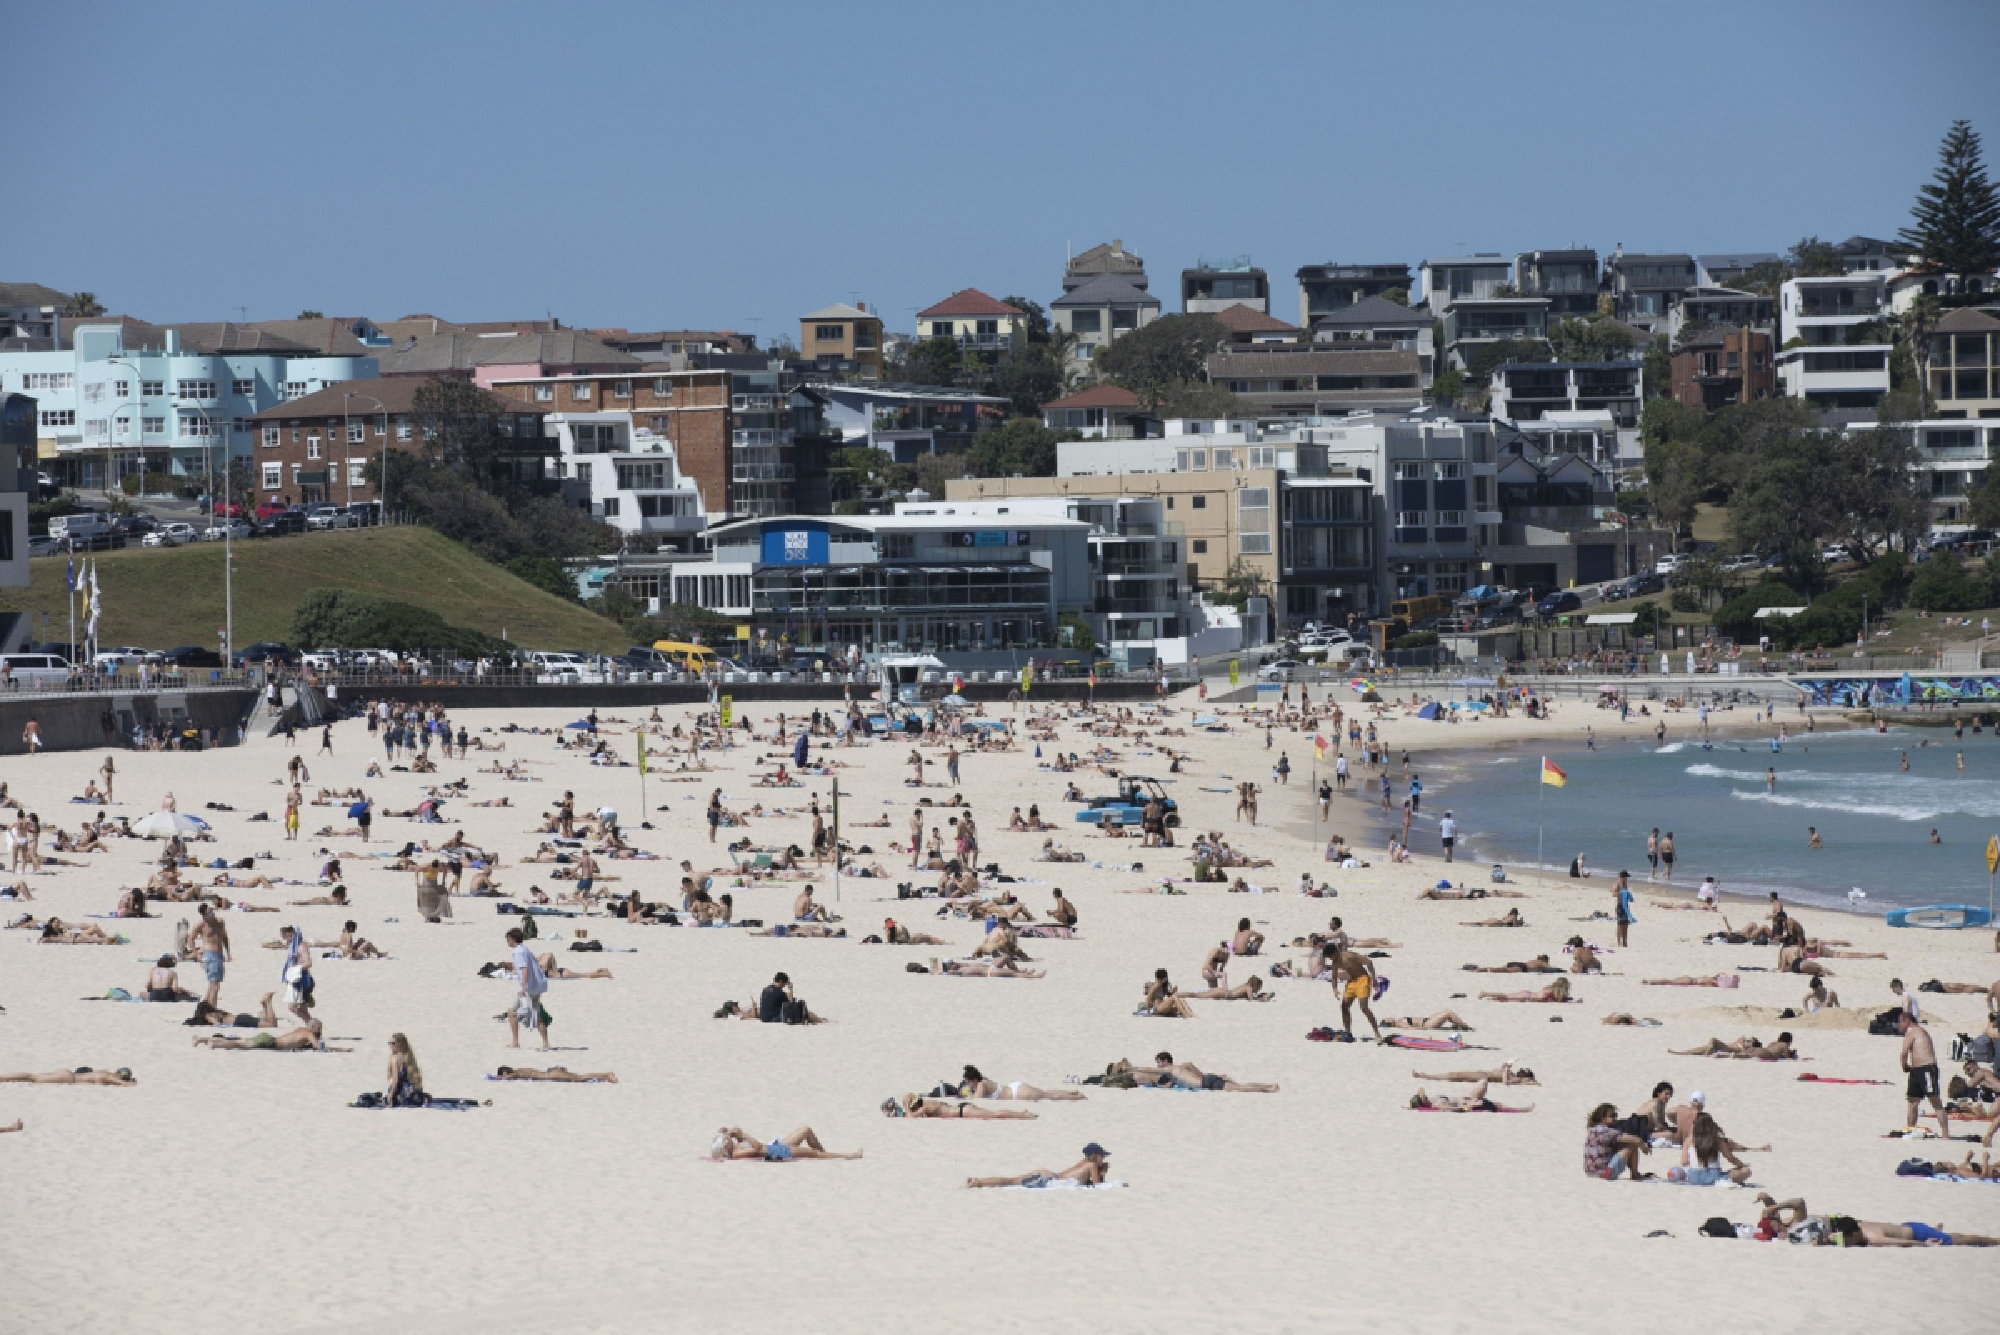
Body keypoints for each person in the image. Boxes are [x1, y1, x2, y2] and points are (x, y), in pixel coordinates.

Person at [966, 1142, 1109, 1188]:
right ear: (1096, 1156)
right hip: (1051, 1179)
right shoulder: (1092, 1166)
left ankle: (979, 1181)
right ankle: (978, 1182)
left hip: (1049, 1174)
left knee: (1011, 1180)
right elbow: (1097, 1185)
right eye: (1102, 1156)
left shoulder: (1083, 1162)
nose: (1103, 1158)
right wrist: (1102, 1173)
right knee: (1011, 1183)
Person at [1901, 1012, 1949, 1135]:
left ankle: (1945, 1133)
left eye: (1900, 1022)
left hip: (1926, 1068)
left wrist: (1904, 1066)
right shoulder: (1917, 1031)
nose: (1899, 1025)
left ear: (1907, 1021)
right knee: (1912, 1102)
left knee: (1935, 1101)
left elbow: (1904, 1053)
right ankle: (1910, 1130)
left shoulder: (1913, 1030)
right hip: (1916, 1070)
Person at [505, 928, 550, 1050]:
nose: (507, 941)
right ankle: (545, 1043)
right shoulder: (525, 949)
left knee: (511, 1012)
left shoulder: (518, 952)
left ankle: (515, 1042)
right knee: (536, 1013)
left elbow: (525, 968)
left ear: (512, 939)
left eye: (508, 939)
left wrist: (523, 987)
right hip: (537, 986)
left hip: (528, 988)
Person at [709, 1126, 861, 1162]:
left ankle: (826, 1157)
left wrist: (727, 1133)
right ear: (725, 1147)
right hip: (777, 1151)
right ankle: (847, 1156)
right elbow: (756, 1148)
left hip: (774, 1145)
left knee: (805, 1130)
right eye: (726, 1140)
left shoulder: (736, 1147)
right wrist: (742, 1134)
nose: (728, 1139)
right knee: (814, 1154)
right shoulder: (735, 1153)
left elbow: (751, 1145)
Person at [1584, 1102, 1652, 1180]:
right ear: (1602, 1118)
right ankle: (1635, 1174)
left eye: (1616, 1115)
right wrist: (1644, 1148)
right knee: (1631, 1145)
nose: (1615, 1118)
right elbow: (1637, 1140)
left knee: (1622, 1145)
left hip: (1590, 1173)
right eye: (1612, 1116)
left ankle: (1635, 1174)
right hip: (1604, 1174)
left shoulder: (1594, 1129)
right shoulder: (1606, 1131)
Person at [1326, 943, 1381, 1039]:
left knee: (1364, 1007)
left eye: (1330, 956)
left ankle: (1377, 1033)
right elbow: (1334, 977)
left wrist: (1374, 978)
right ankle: (1348, 1033)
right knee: (1344, 1006)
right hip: (1352, 981)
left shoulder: (1349, 955)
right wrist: (1335, 989)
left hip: (1363, 979)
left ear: (1335, 952)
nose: (1330, 959)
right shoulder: (1335, 963)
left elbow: (1368, 962)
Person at [193, 1020, 338, 1052]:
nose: (319, 1032)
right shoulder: (308, 1033)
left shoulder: (301, 1029)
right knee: (239, 1044)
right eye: (318, 1029)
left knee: (239, 1041)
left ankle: (201, 1039)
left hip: (269, 1038)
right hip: (271, 1042)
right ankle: (215, 1044)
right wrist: (339, 1050)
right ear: (313, 1027)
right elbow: (318, 1048)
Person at [192, 903, 230, 1009]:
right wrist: (196, 954)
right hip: (209, 955)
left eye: (212, 911)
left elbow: (224, 937)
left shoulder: (220, 922)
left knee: (212, 984)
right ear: (204, 915)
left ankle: (206, 1008)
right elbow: (191, 939)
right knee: (215, 985)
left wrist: (228, 953)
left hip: (219, 955)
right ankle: (212, 1009)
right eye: (209, 913)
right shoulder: (201, 924)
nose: (212, 914)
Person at [1408, 1081, 1532, 1113]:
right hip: (1468, 1103)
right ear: (1422, 1102)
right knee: (1498, 1105)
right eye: (1423, 1097)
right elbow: (1458, 1109)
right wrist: (1473, 1106)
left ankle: (1522, 1109)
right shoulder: (1438, 1105)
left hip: (1466, 1096)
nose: (1425, 1096)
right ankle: (1522, 1109)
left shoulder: (1432, 1100)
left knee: (1483, 1082)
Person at [1411, 1063, 1536, 1085]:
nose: (1522, 1069)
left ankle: (1425, 1076)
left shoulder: (1516, 1079)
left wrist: (1504, 1072)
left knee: (1455, 1075)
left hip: (1484, 1076)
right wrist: (1503, 1067)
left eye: (1525, 1070)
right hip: (1482, 1073)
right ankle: (1427, 1075)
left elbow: (1505, 1082)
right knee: (1455, 1074)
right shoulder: (1512, 1073)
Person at [0, 1068, 135, 1086]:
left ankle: (3, 1077)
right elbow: (120, 1083)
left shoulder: (104, 1071)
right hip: (69, 1079)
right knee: (33, 1078)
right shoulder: (107, 1076)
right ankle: (2, 1078)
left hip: (68, 1074)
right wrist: (131, 1083)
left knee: (32, 1076)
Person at [492, 1067, 619, 1083]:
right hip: (552, 1073)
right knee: (580, 1077)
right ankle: (605, 1075)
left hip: (553, 1075)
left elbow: (510, 1076)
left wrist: (499, 1077)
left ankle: (606, 1075)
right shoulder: (519, 1070)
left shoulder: (516, 1072)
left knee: (581, 1078)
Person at [1613, 870, 1635, 948]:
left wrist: (1629, 896)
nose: (1627, 879)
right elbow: (1613, 893)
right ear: (1623, 877)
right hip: (1620, 906)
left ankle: (1625, 942)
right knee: (1620, 925)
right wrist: (1621, 893)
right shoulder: (1617, 884)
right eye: (1626, 877)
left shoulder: (1625, 884)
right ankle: (1619, 942)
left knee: (1626, 925)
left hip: (1626, 906)